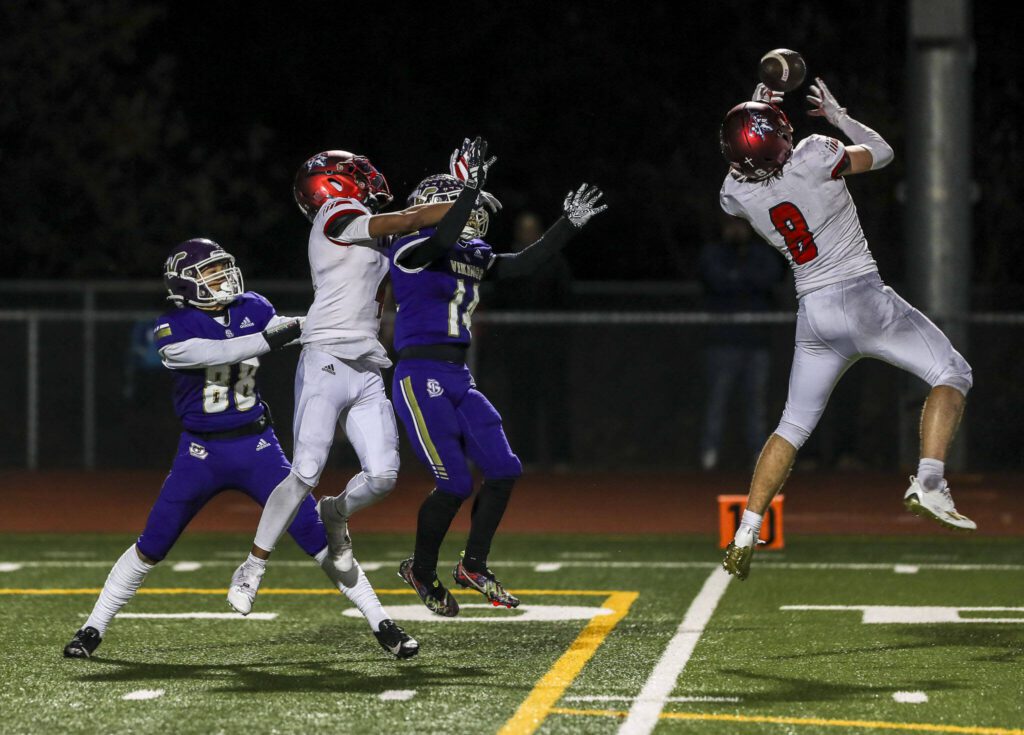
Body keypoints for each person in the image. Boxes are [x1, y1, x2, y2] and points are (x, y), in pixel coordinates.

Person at [64, 239, 418, 659]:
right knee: (153, 543)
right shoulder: (173, 326)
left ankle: (382, 622)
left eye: (221, 268)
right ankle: (92, 628)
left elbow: (298, 331)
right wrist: (278, 334)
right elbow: (221, 351)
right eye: (209, 272)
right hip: (201, 452)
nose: (220, 277)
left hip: (257, 445)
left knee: (315, 536)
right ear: (185, 284)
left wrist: (335, 329)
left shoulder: (252, 306)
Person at [718, 79, 975, 581]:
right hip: (859, 295)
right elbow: (882, 152)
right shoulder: (816, 154)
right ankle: (929, 479)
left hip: (814, 311)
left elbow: (747, 169)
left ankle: (747, 529)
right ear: (783, 137)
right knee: (953, 372)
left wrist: (760, 110)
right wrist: (837, 115)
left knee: (791, 426)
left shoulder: (734, 193)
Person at [227, 140, 496, 614]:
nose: (368, 177)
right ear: (331, 183)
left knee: (384, 476)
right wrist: (465, 194)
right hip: (326, 357)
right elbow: (412, 220)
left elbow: (429, 238)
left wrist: (463, 196)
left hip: (368, 363)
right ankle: (252, 566)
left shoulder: (373, 230)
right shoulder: (336, 212)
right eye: (355, 171)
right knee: (305, 472)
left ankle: (335, 513)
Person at [389, 162, 606, 616]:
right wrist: (468, 189)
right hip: (419, 373)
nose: (472, 218)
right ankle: (421, 571)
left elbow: (524, 263)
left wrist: (568, 226)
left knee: (504, 468)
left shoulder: (467, 251)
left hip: (457, 375)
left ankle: (473, 566)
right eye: (461, 207)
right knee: (454, 482)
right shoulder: (409, 245)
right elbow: (441, 240)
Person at [698, 214, 784, 470]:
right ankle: (708, 456)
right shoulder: (713, 253)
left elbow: (770, 276)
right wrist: (744, 280)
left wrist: (738, 278)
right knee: (717, 401)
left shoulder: (761, 253)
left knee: (756, 404)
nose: (736, 230)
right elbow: (716, 281)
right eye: (730, 226)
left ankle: (758, 454)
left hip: (756, 343)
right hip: (722, 342)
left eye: (741, 225)